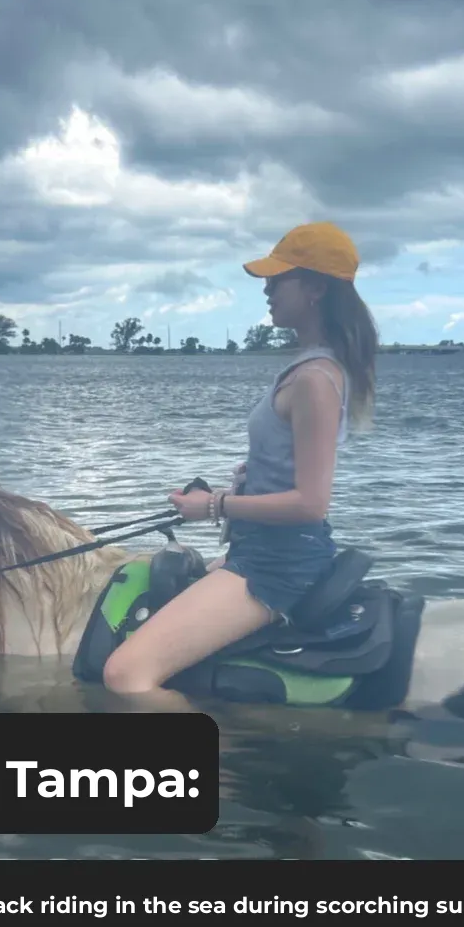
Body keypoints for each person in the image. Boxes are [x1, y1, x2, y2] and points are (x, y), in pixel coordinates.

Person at [102, 221, 379, 708]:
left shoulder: (315, 378)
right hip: (259, 550)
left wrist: (214, 505)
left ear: (315, 288)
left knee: (126, 676)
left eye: (278, 279)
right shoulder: (313, 367)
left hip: (277, 563)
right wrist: (246, 490)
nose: (268, 290)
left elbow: (312, 504)